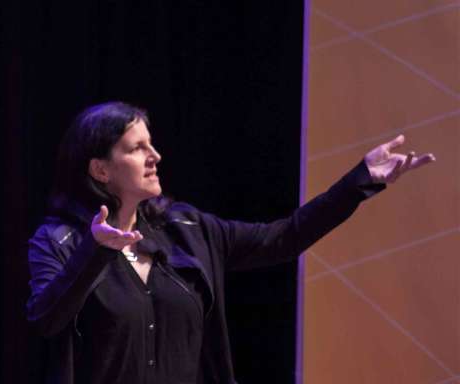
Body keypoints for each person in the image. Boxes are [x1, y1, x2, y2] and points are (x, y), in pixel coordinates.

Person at [26, 101, 435, 384]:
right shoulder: (58, 242)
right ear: (100, 169)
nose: (156, 156)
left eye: (151, 144)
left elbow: (283, 238)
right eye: (137, 148)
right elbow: (46, 319)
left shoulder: (185, 228)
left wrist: (357, 182)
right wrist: (95, 251)